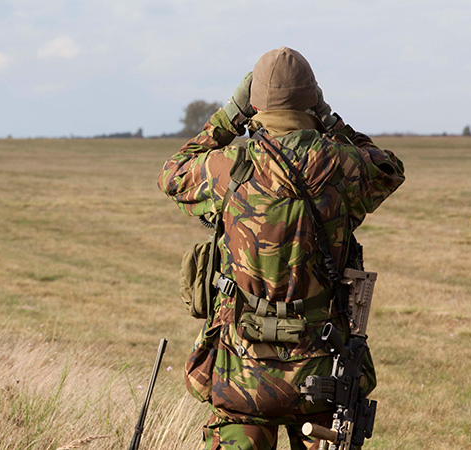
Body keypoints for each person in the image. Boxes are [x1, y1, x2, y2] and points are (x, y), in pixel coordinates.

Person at [158, 47, 405, 449]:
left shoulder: (228, 167)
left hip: (242, 377)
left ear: (254, 103)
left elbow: (172, 173)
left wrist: (229, 116)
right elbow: (389, 168)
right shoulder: (343, 165)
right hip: (323, 375)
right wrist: (329, 119)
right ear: (312, 99)